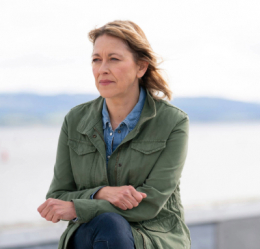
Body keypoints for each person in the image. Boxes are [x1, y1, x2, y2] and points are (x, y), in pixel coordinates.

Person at [37, 20, 191, 249]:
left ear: (141, 67)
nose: (102, 69)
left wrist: (78, 207)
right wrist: (102, 193)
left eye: (114, 59)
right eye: (96, 59)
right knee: (108, 225)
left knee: (111, 225)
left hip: (155, 237)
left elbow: (150, 203)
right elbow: (58, 195)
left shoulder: (173, 122)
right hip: (92, 234)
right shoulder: (75, 120)